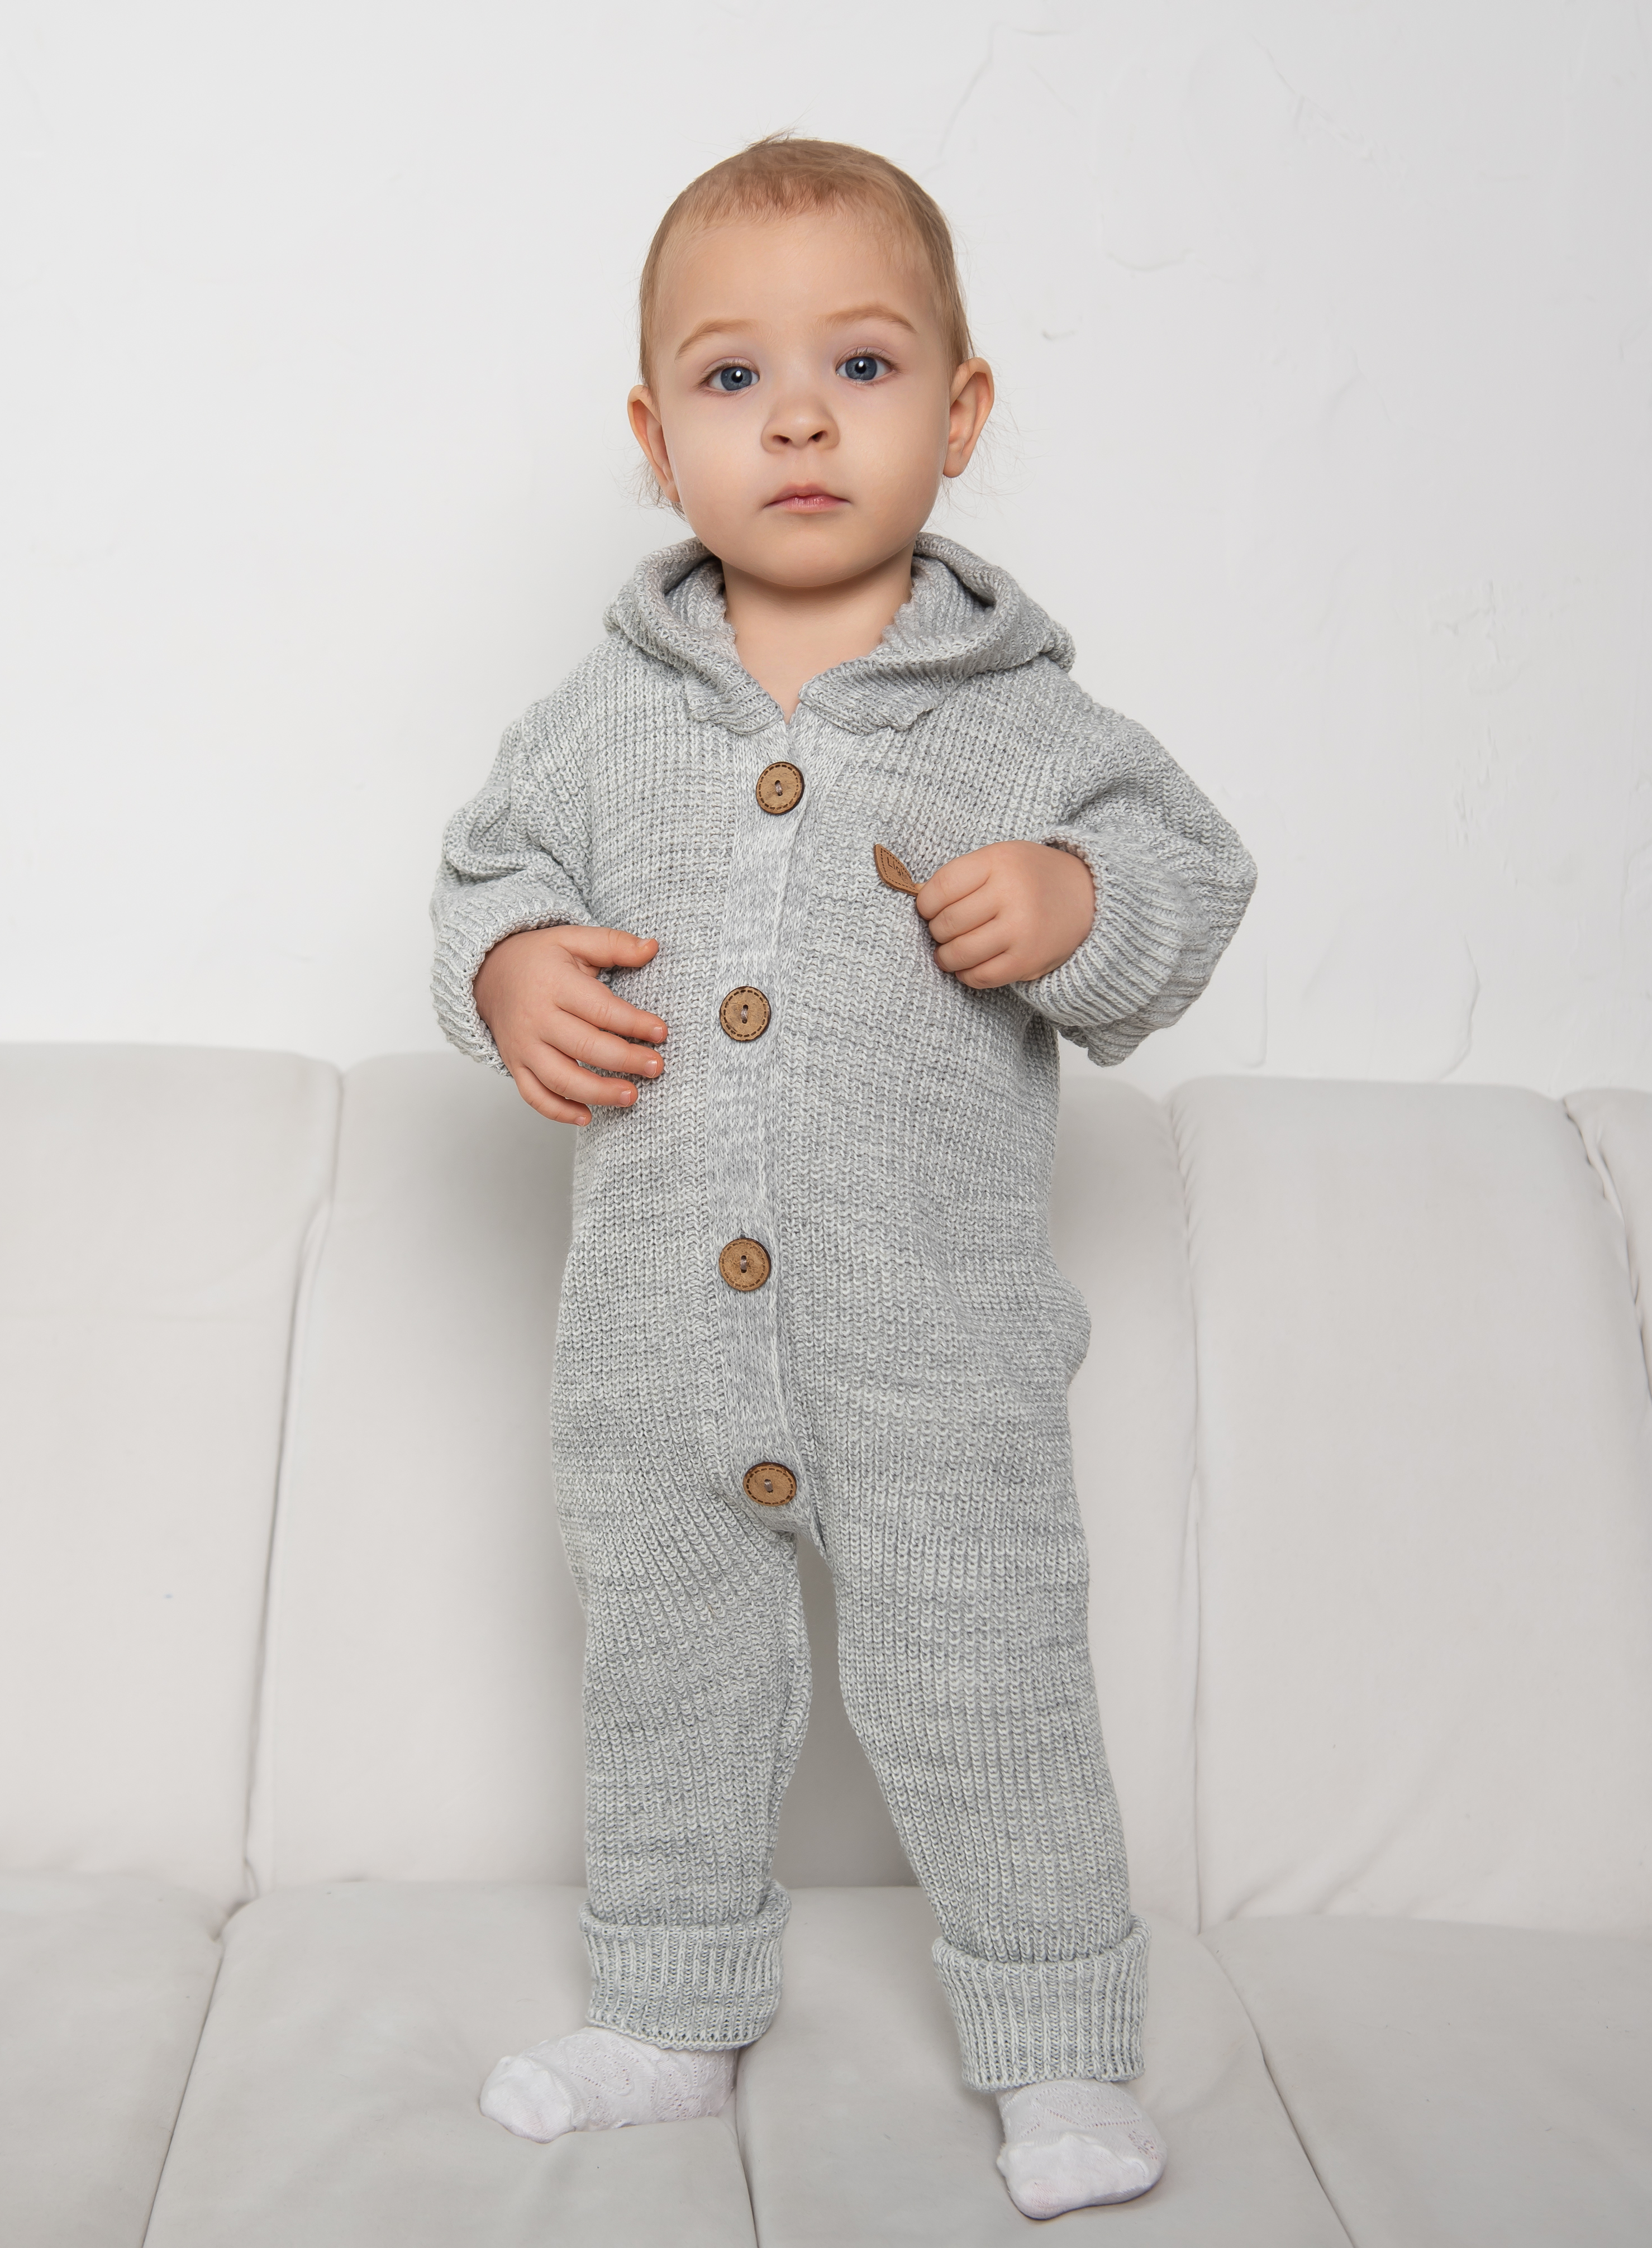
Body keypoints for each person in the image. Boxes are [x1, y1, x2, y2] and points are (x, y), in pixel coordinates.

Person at [430, 135, 1254, 2220]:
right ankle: (666, 2004)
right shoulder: (599, 721)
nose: (797, 418)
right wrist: (509, 969)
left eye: (861, 365)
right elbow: (485, 875)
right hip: (652, 1358)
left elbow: (1185, 881)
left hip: (934, 1353)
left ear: (958, 415)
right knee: (666, 1681)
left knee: (991, 1689)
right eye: (733, 377)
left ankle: (1057, 2042)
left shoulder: (1023, 719)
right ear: (655, 441)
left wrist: (1075, 900)